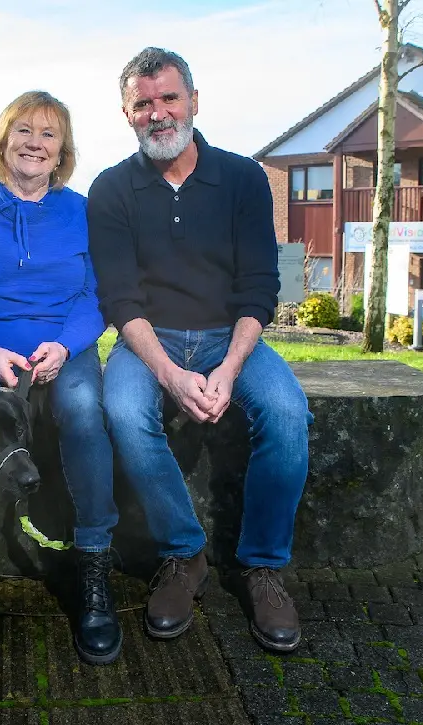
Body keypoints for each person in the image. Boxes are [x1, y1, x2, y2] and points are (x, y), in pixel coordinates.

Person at [87, 48, 312, 653]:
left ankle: (263, 566)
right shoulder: (110, 189)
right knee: (125, 413)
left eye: (168, 98)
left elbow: (259, 286)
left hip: (230, 335)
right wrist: (169, 374)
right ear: (126, 114)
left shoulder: (241, 178)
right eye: (143, 104)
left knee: (288, 414)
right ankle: (184, 554)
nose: (158, 113)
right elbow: (120, 299)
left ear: (193, 101)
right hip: (148, 340)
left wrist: (229, 367)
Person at [0, 91, 121, 665]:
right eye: (22, 131)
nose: (34, 143)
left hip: (63, 346)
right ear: (2, 140)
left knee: (84, 415)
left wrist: (66, 346)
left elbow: (97, 296)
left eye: (48, 134)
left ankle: (94, 568)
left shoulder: (83, 210)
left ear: (63, 149)